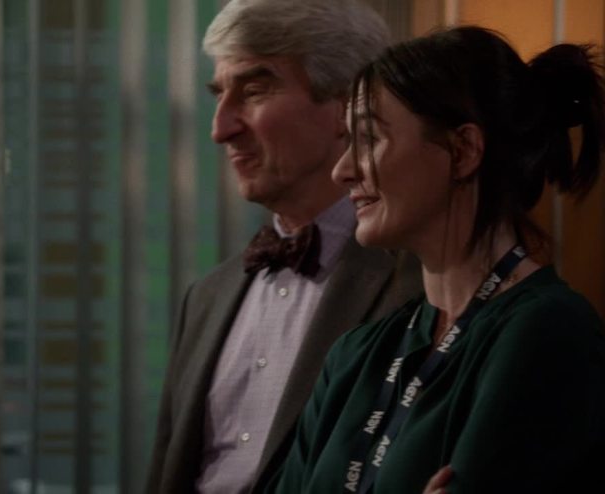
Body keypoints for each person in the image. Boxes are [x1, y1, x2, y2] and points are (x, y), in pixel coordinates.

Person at [264, 26, 605, 493]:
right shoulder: (355, 354)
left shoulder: (549, 331)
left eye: (369, 138)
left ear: (462, 151)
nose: (343, 170)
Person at [146, 1, 423, 493]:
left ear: (347, 107)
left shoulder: (423, 287)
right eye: (219, 95)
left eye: (254, 90)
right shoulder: (206, 296)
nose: (220, 129)